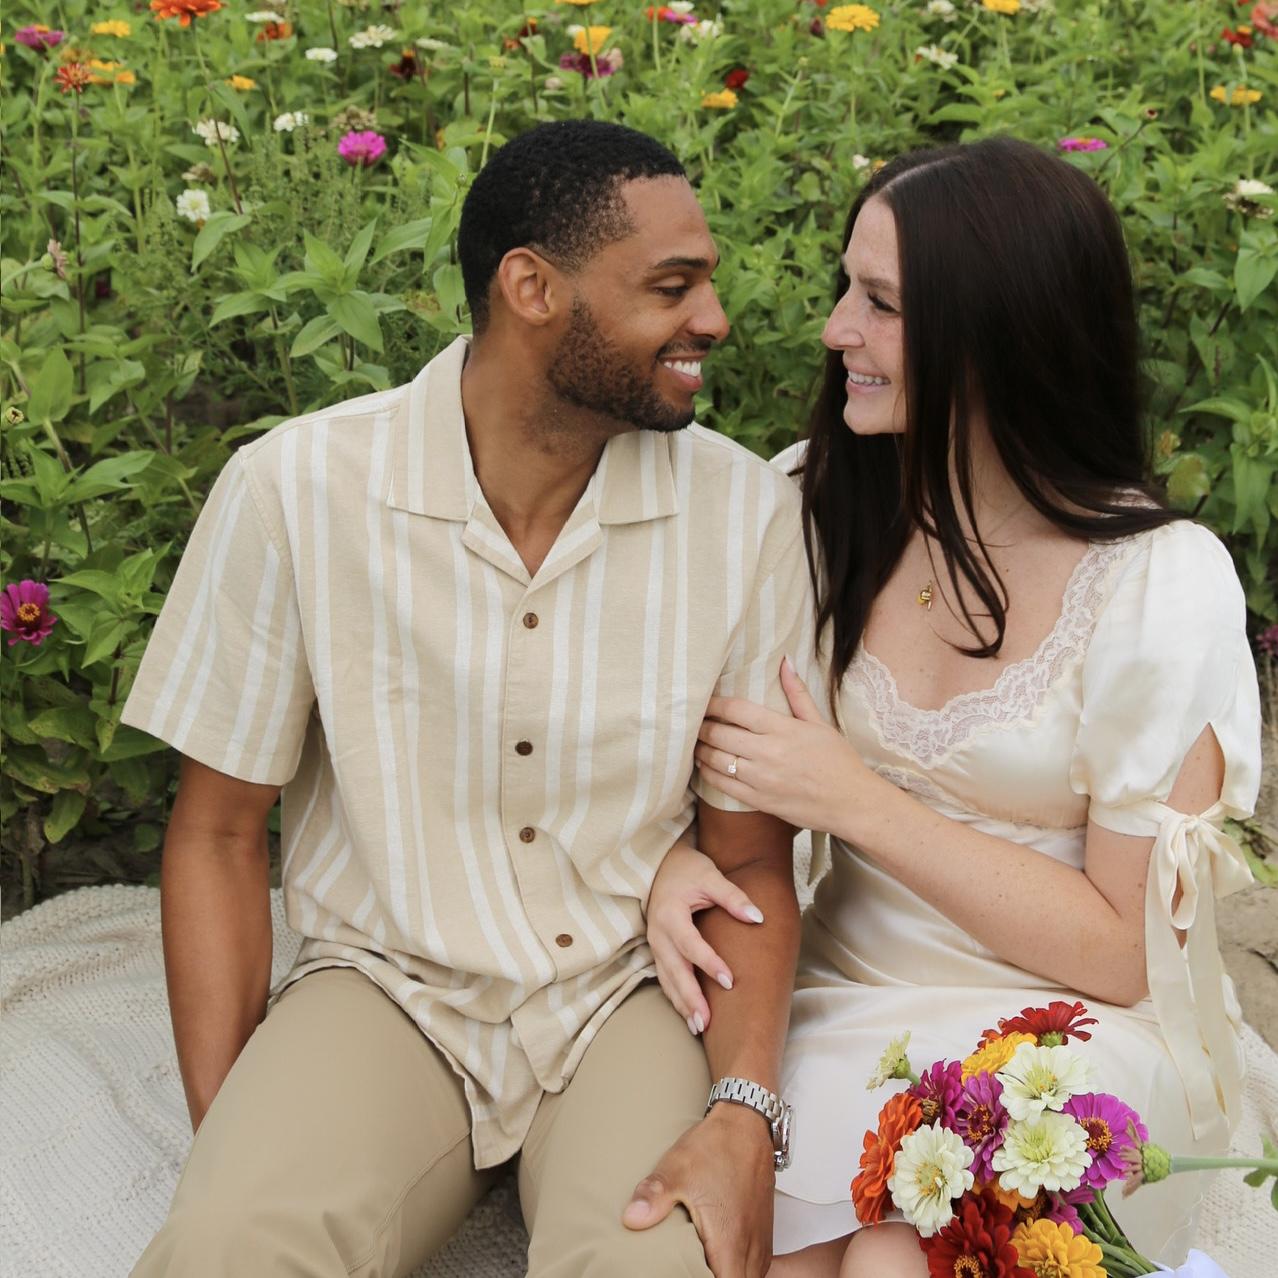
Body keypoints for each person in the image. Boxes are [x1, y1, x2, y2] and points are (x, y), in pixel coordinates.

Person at [120, 120, 814, 1278]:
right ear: (531, 287)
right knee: (227, 1252)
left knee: (655, 1267)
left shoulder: (742, 519)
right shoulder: (299, 491)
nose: (715, 319)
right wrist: (236, 1140)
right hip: (385, 984)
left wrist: (742, 1112)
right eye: (672, 286)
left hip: (632, 990)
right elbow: (219, 832)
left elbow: (750, 864)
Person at [644, 136, 1262, 1276]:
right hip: (839, 998)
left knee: (901, 1256)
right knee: (749, 1251)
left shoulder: (1158, 584)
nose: (836, 330)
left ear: (999, 336)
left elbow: (1125, 954)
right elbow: (681, 755)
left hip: (1070, 1035)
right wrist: (671, 858)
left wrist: (858, 802)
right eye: (847, 288)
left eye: (879, 303)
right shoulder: (808, 506)